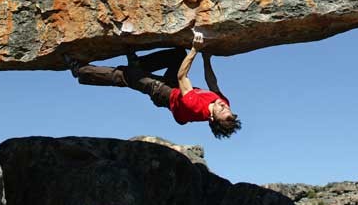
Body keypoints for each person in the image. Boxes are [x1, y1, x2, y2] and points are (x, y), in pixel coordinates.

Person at [64, 35, 241, 138]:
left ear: (212, 118)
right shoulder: (223, 102)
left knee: (128, 76)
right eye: (228, 109)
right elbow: (212, 83)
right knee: (178, 55)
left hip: (164, 95)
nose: (224, 106)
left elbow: (182, 76)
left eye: (222, 110)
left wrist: (195, 49)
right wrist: (206, 59)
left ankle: (80, 71)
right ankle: (139, 65)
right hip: (178, 89)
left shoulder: (195, 107)